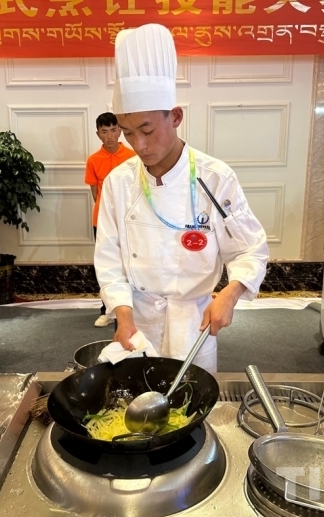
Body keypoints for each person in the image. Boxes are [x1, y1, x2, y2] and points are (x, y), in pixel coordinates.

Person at [94, 24, 269, 373]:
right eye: (128, 133)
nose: (139, 145)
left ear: (175, 117)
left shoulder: (215, 178)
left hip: (193, 323)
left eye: (147, 131)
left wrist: (231, 293)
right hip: (137, 324)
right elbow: (109, 259)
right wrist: (122, 316)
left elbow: (250, 249)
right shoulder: (118, 182)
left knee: (191, 396)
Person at [85, 112, 137, 327]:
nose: (109, 136)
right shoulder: (93, 160)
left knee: (131, 263)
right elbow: (95, 193)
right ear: (98, 134)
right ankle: (107, 310)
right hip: (102, 221)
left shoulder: (133, 157)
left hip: (130, 221)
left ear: (120, 131)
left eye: (113, 130)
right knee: (107, 265)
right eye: (104, 132)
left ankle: (133, 309)